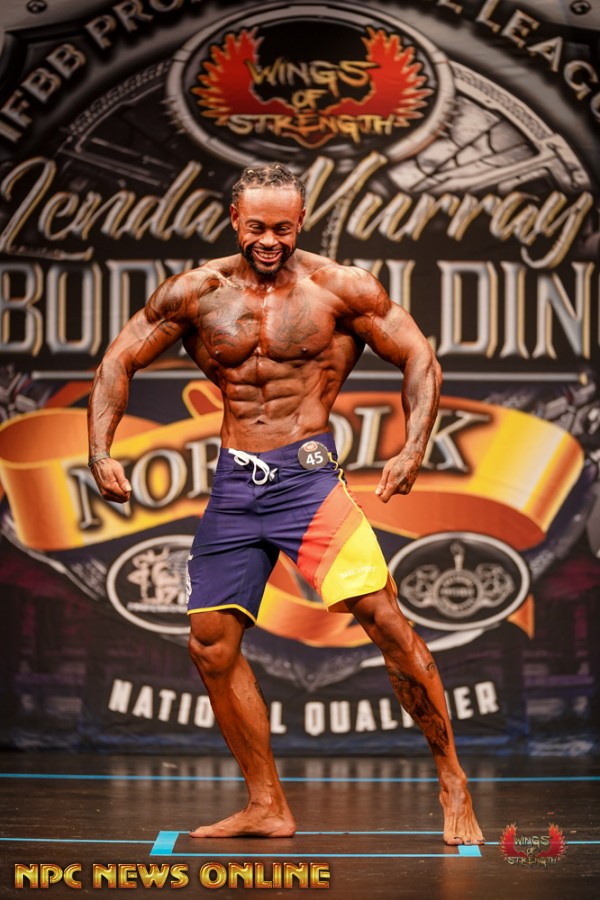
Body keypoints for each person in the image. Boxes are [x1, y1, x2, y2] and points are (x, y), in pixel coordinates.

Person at [88, 162, 484, 846]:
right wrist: (100, 450)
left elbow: (419, 356)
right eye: (256, 227)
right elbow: (118, 359)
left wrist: (413, 448)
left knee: (386, 622)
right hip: (235, 486)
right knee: (210, 645)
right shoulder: (196, 293)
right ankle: (266, 803)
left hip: (306, 481)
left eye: (282, 227)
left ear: (300, 222)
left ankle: (452, 779)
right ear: (233, 221)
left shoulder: (338, 289)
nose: (269, 240)